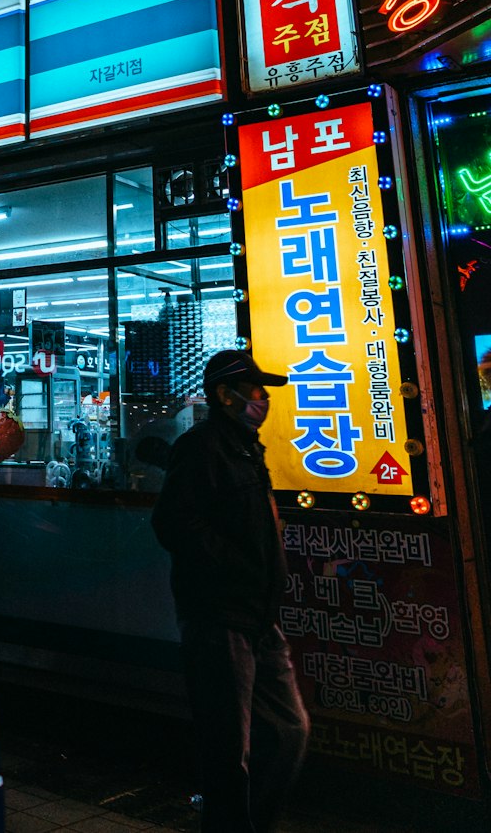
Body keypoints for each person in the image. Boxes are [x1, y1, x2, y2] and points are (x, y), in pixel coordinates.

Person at [151, 348, 310, 833]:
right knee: (228, 749)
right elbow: (174, 523)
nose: (264, 399)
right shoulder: (202, 447)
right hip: (220, 618)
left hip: (259, 617)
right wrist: (235, 571)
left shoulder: (247, 447)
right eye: (257, 390)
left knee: (289, 730)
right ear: (226, 396)